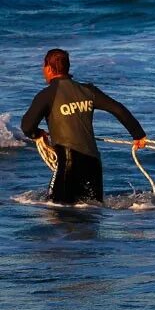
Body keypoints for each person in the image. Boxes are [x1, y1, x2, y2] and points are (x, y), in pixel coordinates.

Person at [20, 49, 147, 204]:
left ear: (49, 68)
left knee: (55, 209)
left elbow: (27, 126)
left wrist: (38, 134)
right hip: (93, 163)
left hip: (68, 162)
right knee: (93, 211)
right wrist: (138, 134)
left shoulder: (47, 94)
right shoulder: (88, 90)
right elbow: (118, 109)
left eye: (44, 66)